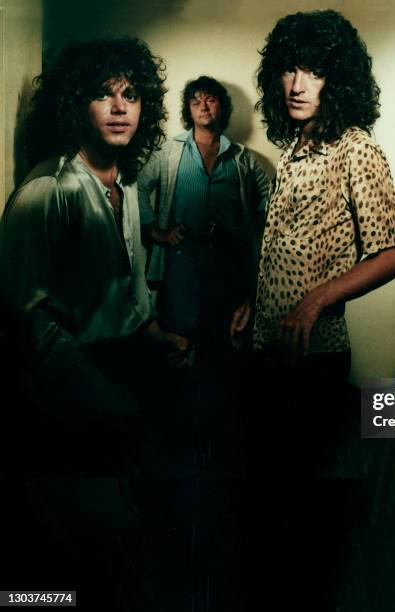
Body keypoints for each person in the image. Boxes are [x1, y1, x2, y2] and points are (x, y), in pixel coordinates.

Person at [0, 38, 188, 611]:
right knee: (74, 564)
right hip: (65, 393)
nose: (118, 107)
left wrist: (157, 336)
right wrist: (99, 395)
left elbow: (132, 290)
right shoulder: (45, 191)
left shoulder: (126, 185)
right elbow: (23, 325)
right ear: (74, 107)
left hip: (120, 374)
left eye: (130, 96)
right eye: (102, 96)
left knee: (139, 535)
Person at [248, 9, 395, 610]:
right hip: (267, 350)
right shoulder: (294, 145)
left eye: (313, 71)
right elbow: (289, 242)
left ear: (334, 79)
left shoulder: (356, 149)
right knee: (273, 504)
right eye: (290, 67)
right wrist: (253, 298)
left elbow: (394, 251)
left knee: (307, 513)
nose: (297, 83)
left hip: (313, 360)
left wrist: (316, 301)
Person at [138, 75, 269, 359]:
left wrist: (254, 227)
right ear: (189, 110)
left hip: (227, 260)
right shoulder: (170, 152)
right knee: (182, 337)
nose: (203, 106)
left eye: (210, 99)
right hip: (181, 257)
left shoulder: (240, 157)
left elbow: (271, 193)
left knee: (225, 336)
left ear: (222, 106)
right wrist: (156, 233)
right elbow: (137, 187)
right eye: (195, 101)